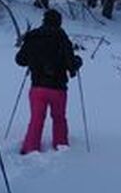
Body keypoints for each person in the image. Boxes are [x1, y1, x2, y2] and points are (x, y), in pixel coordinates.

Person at [15, 8, 83, 154]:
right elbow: (71, 65)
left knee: (36, 119)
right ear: (59, 22)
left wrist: (33, 60)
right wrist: (77, 61)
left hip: (37, 87)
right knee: (59, 118)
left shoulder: (32, 37)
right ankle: (61, 145)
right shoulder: (62, 38)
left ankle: (31, 147)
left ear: (44, 20)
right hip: (58, 88)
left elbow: (20, 60)